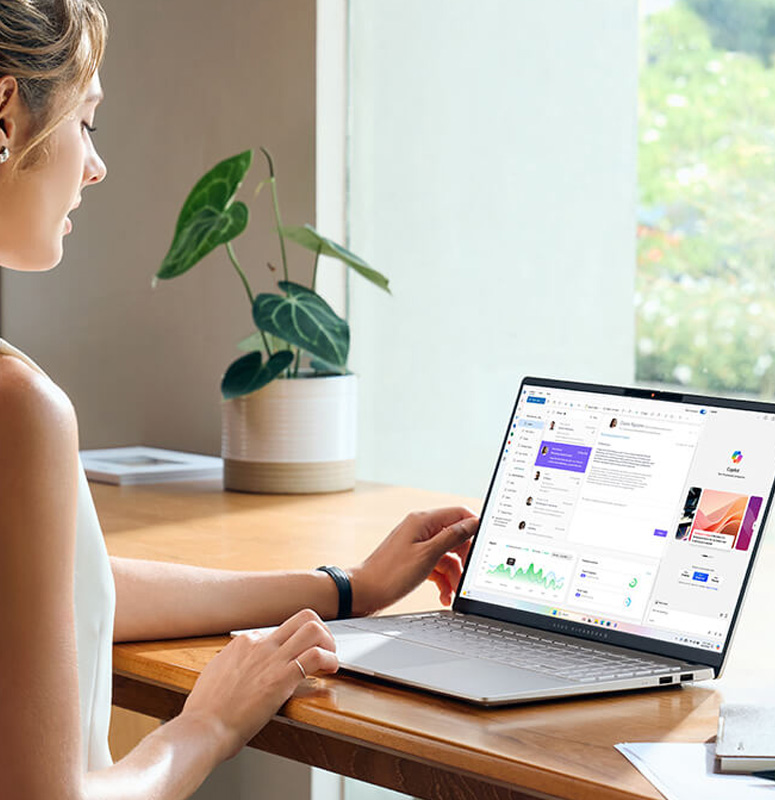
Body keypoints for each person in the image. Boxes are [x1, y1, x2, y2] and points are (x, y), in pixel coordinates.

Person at [0, 2, 478, 797]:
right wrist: (208, 725)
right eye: (88, 121)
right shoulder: (19, 408)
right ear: (6, 111)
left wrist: (348, 587)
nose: (95, 166)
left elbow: (63, 588)